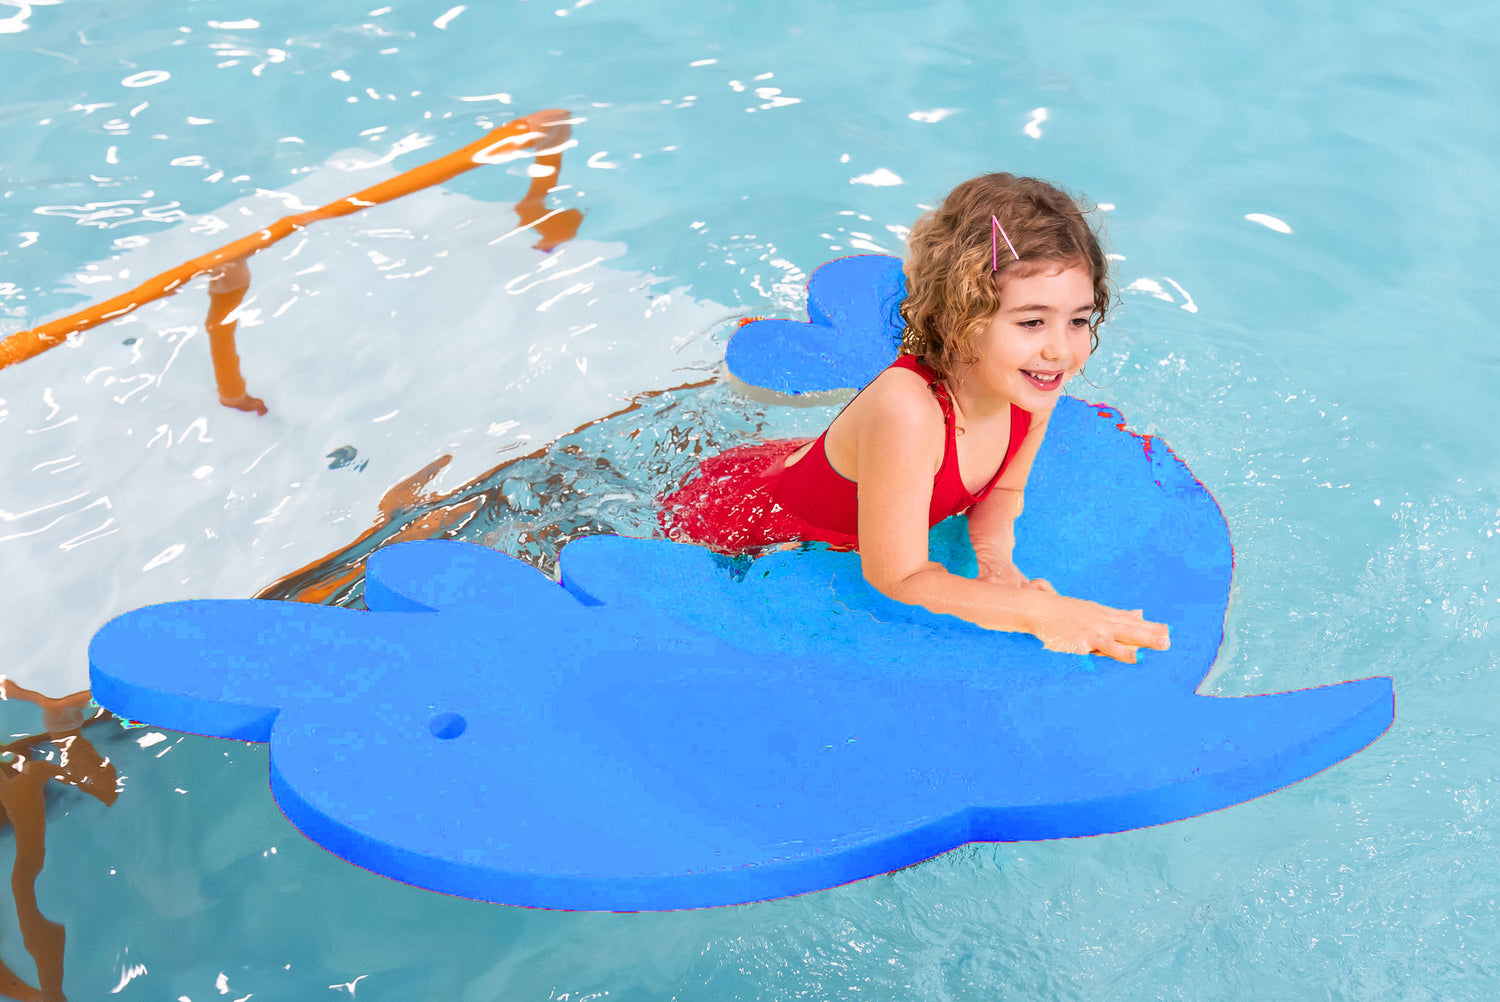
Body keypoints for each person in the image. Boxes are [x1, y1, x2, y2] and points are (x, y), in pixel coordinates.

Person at [661, 173, 1171, 663]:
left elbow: (1003, 490)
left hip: (840, 485)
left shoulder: (1029, 389)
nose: (1060, 349)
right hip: (748, 525)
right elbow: (898, 576)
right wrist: (1042, 613)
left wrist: (995, 564)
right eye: (1032, 322)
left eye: (1078, 320)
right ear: (957, 319)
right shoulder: (907, 410)